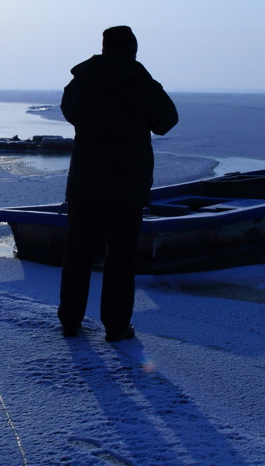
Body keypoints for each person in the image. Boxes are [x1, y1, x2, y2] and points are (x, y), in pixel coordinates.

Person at [58, 26, 178, 341]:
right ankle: (116, 327)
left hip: (86, 183)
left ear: (104, 47)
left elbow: (70, 112)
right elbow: (166, 121)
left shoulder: (81, 82)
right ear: (132, 50)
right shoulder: (142, 85)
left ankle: (70, 322)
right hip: (126, 187)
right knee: (121, 260)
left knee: (77, 256)